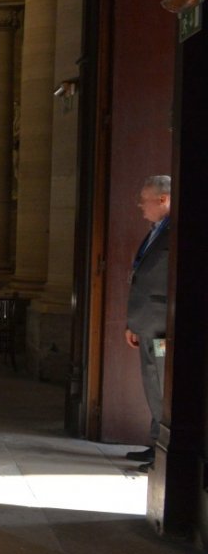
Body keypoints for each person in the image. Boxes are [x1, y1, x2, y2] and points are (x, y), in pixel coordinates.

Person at [124, 175, 171, 471]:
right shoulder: (157, 230)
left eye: (145, 199)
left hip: (163, 326)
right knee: (152, 383)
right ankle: (156, 442)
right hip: (146, 323)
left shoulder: (177, 232)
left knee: (163, 385)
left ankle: (164, 448)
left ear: (163, 200)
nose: (140, 205)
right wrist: (133, 323)